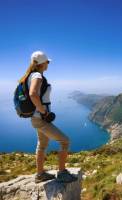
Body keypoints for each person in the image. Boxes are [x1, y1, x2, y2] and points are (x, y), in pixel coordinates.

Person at [18, 51, 78, 183]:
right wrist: (44, 112)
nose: (48, 64)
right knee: (65, 141)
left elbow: (34, 95)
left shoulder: (29, 76)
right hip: (40, 118)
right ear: (42, 63)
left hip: (35, 118)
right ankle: (62, 173)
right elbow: (33, 94)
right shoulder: (37, 76)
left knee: (42, 145)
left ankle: (40, 174)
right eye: (47, 62)